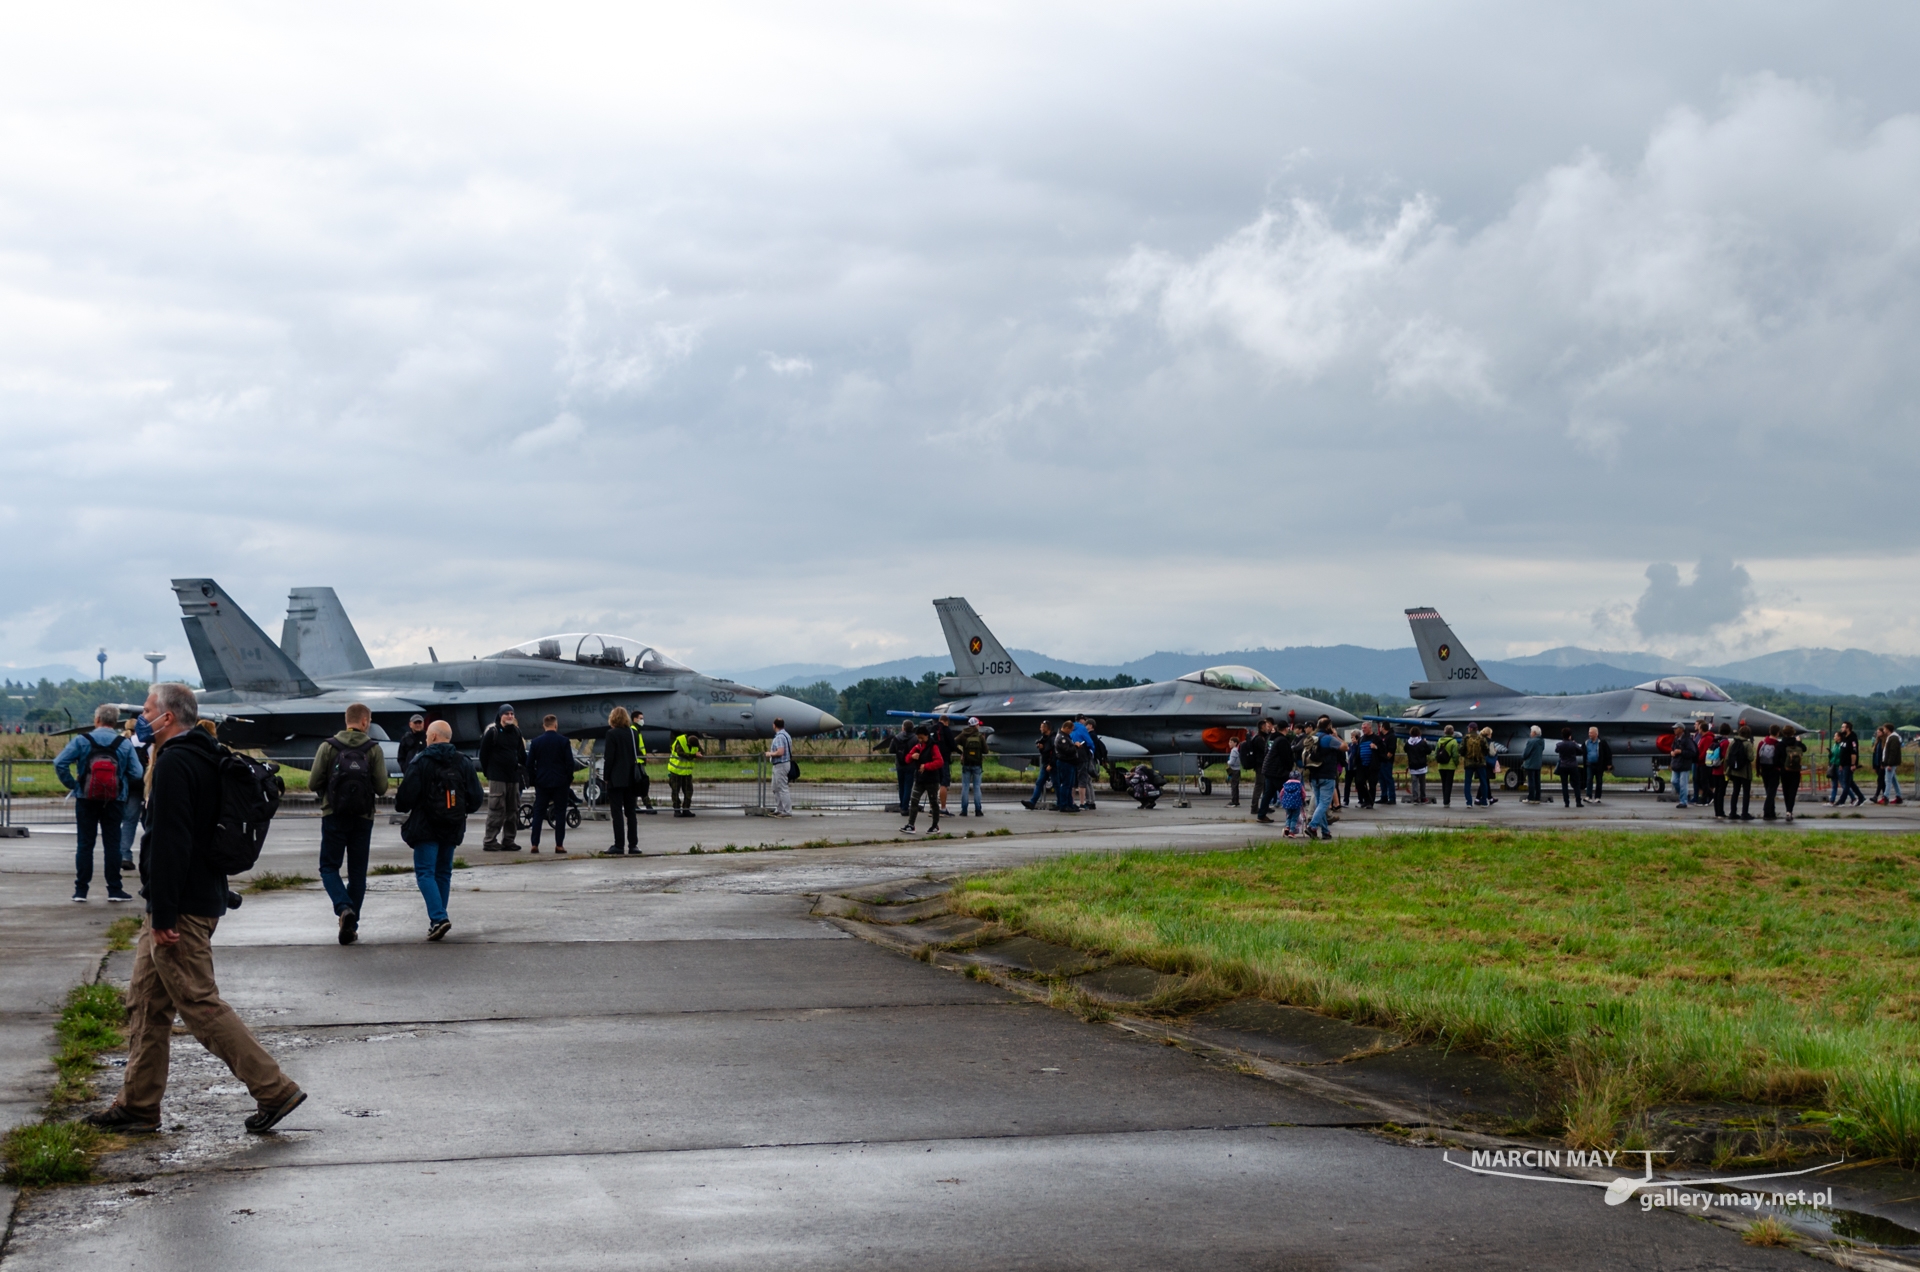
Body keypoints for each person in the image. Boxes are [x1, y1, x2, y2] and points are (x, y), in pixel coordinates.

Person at [83, 682, 305, 1136]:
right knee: (145, 1003)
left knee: (200, 1005)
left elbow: (171, 843)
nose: (139, 719)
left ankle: (273, 1088)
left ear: (168, 717)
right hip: (186, 899)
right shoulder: (201, 754)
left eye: (147, 711)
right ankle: (139, 1105)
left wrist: (163, 914)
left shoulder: (177, 763)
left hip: (180, 907)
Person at [393, 720, 485, 941]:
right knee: (443, 873)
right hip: (452, 826)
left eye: (427, 736)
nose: (425, 739)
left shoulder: (421, 761)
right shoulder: (463, 762)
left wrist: (406, 805)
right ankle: (438, 918)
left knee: (425, 873)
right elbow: (476, 798)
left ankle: (439, 918)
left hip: (426, 827)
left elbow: (405, 799)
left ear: (433, 737)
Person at [308, 703, 390, 945]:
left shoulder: (328, 746)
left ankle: (343, 907)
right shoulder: (373, 749)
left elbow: (313, 782)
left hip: (333, 814)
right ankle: (351, 926)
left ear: (347, 720)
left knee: (329, 867)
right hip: (363, 818)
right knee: (357, 874)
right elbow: (382, 787)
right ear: (365, 722)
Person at [56, 704, 143, 903]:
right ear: (114, 721)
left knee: (85, 844)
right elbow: (137, 772)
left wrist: (73, 784)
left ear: (97, 720)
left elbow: (59, 763)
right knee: (112, 844)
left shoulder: (82, 740)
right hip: (115, 799)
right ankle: (114, 889)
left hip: (86, 798)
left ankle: (81, 891)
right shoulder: (124, 744)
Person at [525, 715, 579, 852]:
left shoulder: (536, 742)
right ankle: (559, 845)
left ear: (544, 726)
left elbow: (529, 764)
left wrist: (534, 779)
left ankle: (534, 844)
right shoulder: (564, 741)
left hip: (542, 782)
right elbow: (569, 763)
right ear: (556, 725)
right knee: (560, 813)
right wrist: (568, 778)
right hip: (560, 782)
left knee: (538, 812)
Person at [478, 705, 526, 851]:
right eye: (507, 714)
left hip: (513, 777)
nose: (510, 716)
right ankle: (490, 840)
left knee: (513, 810)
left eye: (512, 713)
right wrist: (489, 772)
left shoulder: (516, 732)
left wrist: (522, 771)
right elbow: (483, 755)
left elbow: (521, 754)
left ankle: (509, 840)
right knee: (496, 809)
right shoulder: (492, 733)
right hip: (497, 777)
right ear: (500, 716)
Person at [601, 706, 641, 854]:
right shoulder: (633, 733)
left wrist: (606, 776)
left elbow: (609, 758)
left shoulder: (611, 734)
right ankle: (633, 845)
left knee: (617, 812)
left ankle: (619, 844)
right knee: (631, 812)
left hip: (616, 778)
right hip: (632, 777)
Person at [119, 717, 150, 869]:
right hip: (145, 785)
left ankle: (124, 854)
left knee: (128, 820)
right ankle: (152, 853)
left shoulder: (124, 743)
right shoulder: (150, 743)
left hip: (127, 785)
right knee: (149, 821)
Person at [900, 725, 945, 832]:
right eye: (918, 738)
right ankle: (910, 825)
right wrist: (911, 757)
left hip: (932, 780)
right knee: (914, 801)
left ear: (926, 736)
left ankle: (935, 825)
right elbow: (906, 759)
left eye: (921, 737)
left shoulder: (933, 746)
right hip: (920, 779)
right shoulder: (917, 747)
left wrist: (926, 766)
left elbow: (939, 762)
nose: (920, 740)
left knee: (933, 803)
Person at [1304, 717, 1341, 840]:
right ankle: (1312, 826)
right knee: (1324, 804)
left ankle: (1325, 831)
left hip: (1314, 774)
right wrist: (1336, 735)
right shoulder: (1328, 738)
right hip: (1327, 775)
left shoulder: (1312, 738)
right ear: (1328, 726)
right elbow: (1345, 747)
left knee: (1320, 804)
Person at [1257, 722, 1295, 822]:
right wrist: (1289, 768)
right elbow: (1285, 757)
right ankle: (1292, 815)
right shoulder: (1282, 740)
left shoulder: (1271, 738)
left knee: (1268, 793)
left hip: (1269, 770)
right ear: (1286, 729)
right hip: (1278, 772)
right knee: (1287, 793)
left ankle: (1261, 815)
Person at [956, 717, 987, 816]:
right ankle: (978, 810)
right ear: (976, 725)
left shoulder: (963, 735)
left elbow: (953, 742)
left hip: (966, 764)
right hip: (977, 765)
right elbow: (986, 751)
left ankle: (964, 810)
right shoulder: (980, 736)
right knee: (977, 787)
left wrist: (961, 752)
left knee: (965, 787)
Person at [667, 731, 702, 816]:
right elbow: (680, 753)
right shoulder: (680, 741)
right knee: (675, 791)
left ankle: (686, 809)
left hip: (687, 773)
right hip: (676, 772)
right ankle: (677, 810)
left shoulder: (695, 742)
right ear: (688, 742)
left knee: (689, 791)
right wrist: (694, 755)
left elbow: (700, 751)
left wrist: (699, 754)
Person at [1021, 722, 1054, 810]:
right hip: (1045, 764)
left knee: (1057, 784)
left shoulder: (1052, 739)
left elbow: (1054, 753)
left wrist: (1051, 764)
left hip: (1052, 766)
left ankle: (1062, 803)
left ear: (1047, 728)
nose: (1040, 729)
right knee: (1039, 783)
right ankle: (1032, 802)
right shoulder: (1044, 738)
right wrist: (1041, 748)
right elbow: (1045, 752)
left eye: (1042, 727)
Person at [1726, 724, 1755, 820]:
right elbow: (1751, 758)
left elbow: (1727, 757)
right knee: (1746, 793)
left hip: (1734, 772)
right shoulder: (1748, 744)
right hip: (1745, 772)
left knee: (1735, 792)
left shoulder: (1732, 742)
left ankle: (1733, 812)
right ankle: (1744, 813)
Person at [767, 715, 794, 817]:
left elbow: (780, 752)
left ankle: (787, 811)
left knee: (782, 788)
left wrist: (770, 754)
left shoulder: (779, 737)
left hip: (780, 764)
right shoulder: (787, 735)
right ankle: (780, 808)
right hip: (784, 763)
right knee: (775, 787)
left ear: (774, 725)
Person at [631, 710, 658, 813]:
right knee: (641, 783)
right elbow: (635, 748)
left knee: (640, 783)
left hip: (638, 762)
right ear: (635, 719)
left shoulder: (636, 731)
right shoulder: (633, 731)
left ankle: (638, 805)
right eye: (640, 718)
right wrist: (643, 757)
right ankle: (646, 806)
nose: (642, 720)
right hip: (636, 762)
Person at [1242, 723, 1272, 815]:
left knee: (1264, 786)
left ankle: (1264, 806)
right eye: (1265, 726)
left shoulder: (1260, 737)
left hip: (1261, 764)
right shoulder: (1258, 739)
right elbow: (1265, 749)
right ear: (1261, 727)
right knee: (1259, 786)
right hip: (1260, 765)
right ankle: (1254, 807)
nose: (1267, 728)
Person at [1756, 724, 1784, 821]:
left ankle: (1772, 812)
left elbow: (1757, 757)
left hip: (1764, 769)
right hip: (1774, 770)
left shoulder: (1762, 743)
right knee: (1772, 792)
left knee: (1769, 791)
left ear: (1769, 731)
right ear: (1777, 733)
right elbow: (1780, 759)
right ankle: (1767, 811)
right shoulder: (1778, 744)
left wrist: (1758, 770)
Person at [1779, 726, 1806, 821]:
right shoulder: (1797, 743)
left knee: (1786, 791)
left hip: (1784, 770)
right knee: (1793, 791)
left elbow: (1778, 756)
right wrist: (1798, 742)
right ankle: (1790, 811)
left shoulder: (1781, 744)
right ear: (1793, 733)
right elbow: (1804, 749)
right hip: (1795, 771)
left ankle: (1788, 810)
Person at [1553, 728, 1585, 808]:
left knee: (1564, 785)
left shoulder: (1559, 744)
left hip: (1563, 766)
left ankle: (1566, 802)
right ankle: (1578, 802)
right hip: (1573, 766)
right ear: (1570, 736)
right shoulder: (1573, 744)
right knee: (1576, 784)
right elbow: (1581, 751)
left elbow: (1556, 751)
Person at [1703, 724, 1729, 818]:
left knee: (1717, 791)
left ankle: (1716, 812)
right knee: (1721, 792)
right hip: (1722, 771)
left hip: (1714, 769)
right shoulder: (1725, 743)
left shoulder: (1715, 741)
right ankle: (1720, 812)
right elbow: (1725, 757)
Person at [933, 713, 957, 815]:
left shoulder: (932, 729)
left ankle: (933, 808)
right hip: (943, 760)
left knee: (933, 784)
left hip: (932, 760)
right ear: (947, 722)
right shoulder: (947, 730)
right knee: (944, 783)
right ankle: (943, 808)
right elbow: (953, 745)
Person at [1669, 723, 1696, 810]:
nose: (1674, 730)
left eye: (1676, 728)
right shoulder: (1676, 739)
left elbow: (1692, 752)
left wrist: (1681, 752)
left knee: (1683, 784)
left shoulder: (1687, 740)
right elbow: (1672, 748)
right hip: (1676, 763)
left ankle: (1683, 801)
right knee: (1674, 781)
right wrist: (1672, 752)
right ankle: (1684, 795)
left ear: (1681, 729)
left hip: (1684, 764)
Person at [1462, 726, 1490, 808]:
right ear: (1477, 729)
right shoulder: (1482, 738)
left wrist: (1466, 756)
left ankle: (1469, 802)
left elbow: (1461, 749)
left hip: (1469, 763)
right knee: (1483, 782)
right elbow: (1486, 749)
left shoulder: (1466, 738)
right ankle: (1484, 802)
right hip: (1480, 763)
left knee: (1467, 783)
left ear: (1470, 729)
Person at [1433, 725, 1460, 808]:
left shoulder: (1439, 740)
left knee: (1443, 783)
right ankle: (1446, 801)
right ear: (1452, 732)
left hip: (1441, 766)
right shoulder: (1454, 742)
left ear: (1444, 732)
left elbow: (1436, 753)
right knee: (1449, 784)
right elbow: (1455, 755)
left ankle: (1445, 799)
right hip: (1450, 766)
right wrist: (1456, 763)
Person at [1585, 727, 1613, 801]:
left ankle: (1597, 797)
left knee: (1599, 781)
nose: (1589, 734)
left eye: (1591, 733)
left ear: (1596, 734)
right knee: (1589, 780)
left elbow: (1608, 753)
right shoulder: (1586, 742)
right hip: (1589, 764)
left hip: (1599, 765)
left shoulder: (1602, 742)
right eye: (1589, 732)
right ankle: (1588, 796)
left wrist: (1609, 764)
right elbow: (1582, 751)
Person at [1519, 725, 1545, 804]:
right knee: (1537, 781)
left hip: (1530, 764)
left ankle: (1531, 797)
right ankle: (1537, 797)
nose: (1530, 733)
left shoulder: (1531, 741)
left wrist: (1523, 756)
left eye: (1531, 731)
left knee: (1531, 782)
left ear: (1534, 732)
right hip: (1538, 764)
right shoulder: (1542, 741)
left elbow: (1526, 753)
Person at [1375, 723, 1398, 805]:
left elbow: (1391, 750)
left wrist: (1386, 758)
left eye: (1381, 726)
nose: (1380, 728)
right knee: (1381, 780)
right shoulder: (1381, 736)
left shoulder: (1391, 736)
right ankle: (1383, 796)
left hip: (1387, 761)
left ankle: (1392, 797)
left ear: (1384, 727)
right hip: (1380, 761)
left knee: (1388, 779)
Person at [1882, 726, 1904, 805]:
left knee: (1888, 780)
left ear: (1888, 729)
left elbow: (1892, 752)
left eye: (1884, 729)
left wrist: (1889, 764)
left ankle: (1886, 797)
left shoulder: (1894, 738)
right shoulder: (1890, 737)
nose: (1883, 730)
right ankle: (1899, 796)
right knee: (1894, 780)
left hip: (1891, 763)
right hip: (1889, 762)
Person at [1279, 771, 1305, 836]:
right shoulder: (1299, 785)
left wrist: (1283, 801)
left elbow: (1281, 793)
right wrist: (1302, 800)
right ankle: (1292, 831)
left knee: (1288, 816)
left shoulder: (1286, 784)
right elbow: (1303, 794)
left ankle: (1287, 827)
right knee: (1294, 818)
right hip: (1296, 804)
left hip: (1287, 804)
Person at [1225, 738, 1243, 807]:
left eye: (1231, 742)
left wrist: (1228, 762)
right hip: (1237, 769)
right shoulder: (1237, 750)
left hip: (1234, 770)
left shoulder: (1233, 751)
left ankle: (1234, 801)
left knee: (1234, 786)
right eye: (1229, 742)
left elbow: (1232, 762)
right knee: (1236, 786)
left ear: (1235, 743)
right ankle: (1236, 800)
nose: (1229, 743)